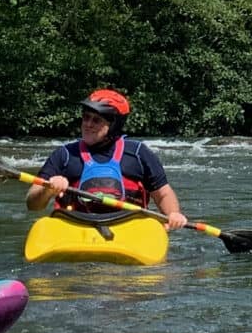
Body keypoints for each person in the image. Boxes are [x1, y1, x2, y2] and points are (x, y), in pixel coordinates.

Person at [26, 88, 188, 230]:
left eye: (96, 120)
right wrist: (47, 189)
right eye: (86, 117)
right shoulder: (65, 154)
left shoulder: (138, 154)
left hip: (129, 227)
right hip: (74, 226)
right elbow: (32, 205)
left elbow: (163, 193)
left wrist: (173, 214)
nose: (88, 124)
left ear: (114, 125)